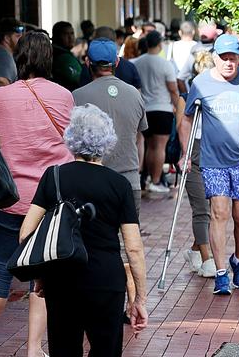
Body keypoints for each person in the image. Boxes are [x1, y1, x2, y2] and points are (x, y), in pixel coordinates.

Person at [20, 104, 148, 357]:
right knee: (106, 350)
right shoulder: (119, 185)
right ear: (107, 141)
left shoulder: (53, 177)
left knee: (64, 348)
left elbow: (26, 233)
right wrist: (139, 299)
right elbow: (133, 247)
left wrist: (41, 277)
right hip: (106, 280)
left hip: (62, 278)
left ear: (71, 138)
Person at [0, 31, 74, 357]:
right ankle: (35, 348)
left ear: (18, 58)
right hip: (51, 200)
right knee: (44, 274)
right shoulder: (64, 95)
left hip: (10, 197)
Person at [180, 33, 239, 295]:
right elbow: (186, 119)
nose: (229, 62)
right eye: (224, 57)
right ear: (214, 56)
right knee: (219, 213)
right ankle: (220, 272)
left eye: (233, 57)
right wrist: (185, 153)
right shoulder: (201, 83)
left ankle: (238, 260)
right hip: (213, 161)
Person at [73, 38, 148, 217]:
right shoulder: (134, 94)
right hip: (129, 180)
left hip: (92, 181)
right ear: (116, 62)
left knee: (97, 242)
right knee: (131, 240)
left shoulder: (77, 96)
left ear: (87, 62)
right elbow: (140, 138)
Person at [177, 50, 217, 278]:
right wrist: (185, 155)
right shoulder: (186, 96)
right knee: (201, 208)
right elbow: (180, 125)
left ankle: (195, 249)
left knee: (212, 209)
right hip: (193, 152)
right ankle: (206, 258)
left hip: (213, 151)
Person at [133, 31, 180, 194]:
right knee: (159, 147)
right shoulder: (165, 64)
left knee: (147, 145)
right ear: (159, 44)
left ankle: (146, 177)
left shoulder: (136, 62)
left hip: (143, 109)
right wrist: (178, 107)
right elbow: (173, 90)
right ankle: (156, 180)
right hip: (162, 109)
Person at [51, 21, 81, 91]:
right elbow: (78, 78)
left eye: (72, 33)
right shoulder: (62, 57)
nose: (70, 37)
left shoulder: (60, 52)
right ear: (56, 36)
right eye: (65, 34)